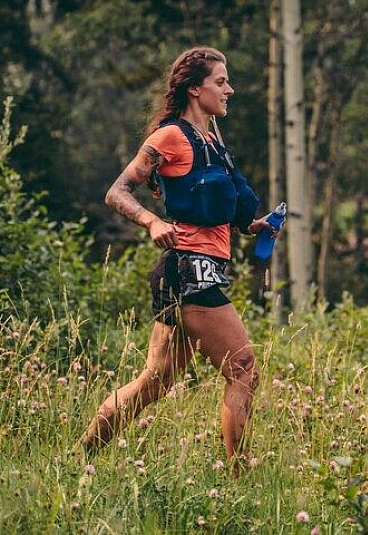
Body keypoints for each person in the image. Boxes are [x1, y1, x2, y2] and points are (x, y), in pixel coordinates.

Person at [79, 46, 275, 472]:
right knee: (243, 369)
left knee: (156, 382)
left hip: (190, 271)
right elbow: (116, 192)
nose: (229, 90)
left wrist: (253, 225)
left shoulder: (213, 143)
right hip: (189, 269)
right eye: (221, 82)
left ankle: (82, 459)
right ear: (195, 89)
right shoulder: (171, 137)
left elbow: (216, 209)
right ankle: (240, 478)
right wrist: (151, 221)